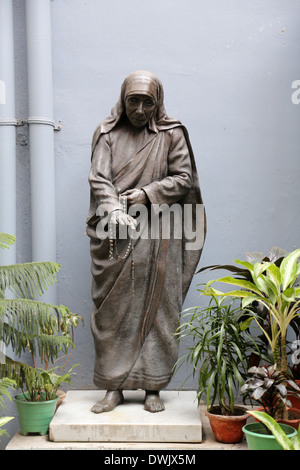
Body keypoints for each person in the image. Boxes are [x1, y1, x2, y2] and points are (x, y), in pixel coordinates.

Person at [86, 70, 206, 413]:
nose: (140, 109)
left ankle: (153, 385)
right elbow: (99, 178)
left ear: (158, 103)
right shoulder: (107, 133)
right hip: (118, 236)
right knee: (113, 314)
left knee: (159, 312)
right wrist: (111, 208)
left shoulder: (172, 134)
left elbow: (183, 178)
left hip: (158, 237)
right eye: (133, 101)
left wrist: (144, 195)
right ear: (123, 101)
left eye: (147, 102)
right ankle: (114, 386)